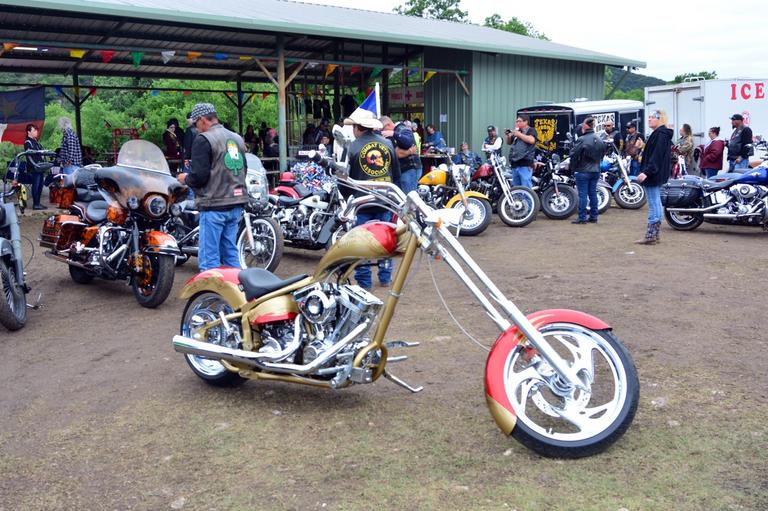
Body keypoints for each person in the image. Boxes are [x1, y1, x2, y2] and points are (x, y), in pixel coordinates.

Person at [177, 103, 248, 271]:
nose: (196, 128)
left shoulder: (204, 139)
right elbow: (243, 169)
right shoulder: (236, 138)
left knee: (209, 259)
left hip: (214, 205)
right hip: (236, 203)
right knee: (230, 252)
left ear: (202, 120)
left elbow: (199, 176)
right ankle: (237, 292)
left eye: (195, 124)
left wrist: (185, 178)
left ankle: (211, 296)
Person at [343, 108, 399, 289]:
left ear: (358, 127)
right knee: (386, 239)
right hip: (385, 201)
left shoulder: (352, 147)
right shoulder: (388, 144)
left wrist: (347, 199)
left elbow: (344, 179)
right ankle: (385, 277)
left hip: (361, 203)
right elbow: (396, 175)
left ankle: (364, 281)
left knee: (362, 243)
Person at [635, 110, 673, 245]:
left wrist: (646, 172)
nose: (649, 119)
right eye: (649, 117)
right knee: (655, 202)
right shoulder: (660, 134)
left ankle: (651, 235)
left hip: (653, 174)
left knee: (654, 203)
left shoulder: (660, 135)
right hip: (656, 173)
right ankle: (654, 235)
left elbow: (656, 156)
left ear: (660, 119)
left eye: (652, 118)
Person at [569, 117, 606, 224]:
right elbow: (603, 153)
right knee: (593, 193)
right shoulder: (599, 139)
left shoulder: (582, 139)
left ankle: (582, 217)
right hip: (596, 169)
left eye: (583, 124)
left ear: (586, 125)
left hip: (583, 170)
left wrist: (574, 167)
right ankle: (594, 216)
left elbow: (573, 154)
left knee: (583, 194)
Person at [381, 116, 419, 194]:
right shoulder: (389, 136)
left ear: (388, 125)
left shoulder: (402, 129)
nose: (383, 132)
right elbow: (396, 153)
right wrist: (409, 151)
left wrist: (394, 134)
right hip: (398, 171)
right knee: (399, 199)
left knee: (408, 198)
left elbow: (408, 142)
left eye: (383, 129)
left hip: (409, 169)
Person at [504, 114, 537, 189]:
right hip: (515, 163)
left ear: (526, 122)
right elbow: (509, 142)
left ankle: (528, 201)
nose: (517, 123)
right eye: (516, 121)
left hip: (525, 163)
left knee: (526, 187)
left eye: (519, 121)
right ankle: (519, 200)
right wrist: (508, 135)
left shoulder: (531, 130)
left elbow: (532, 140)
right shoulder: (517, 131)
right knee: (516, 187)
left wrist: (519, 134)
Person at [23, 124, 46, 210]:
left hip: (40, 167)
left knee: (40, 185)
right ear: (29, 132)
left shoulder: (36, 141)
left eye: (36, 130)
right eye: (34, 130)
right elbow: (30, 155)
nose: (36, 132)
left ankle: (38, 203)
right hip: (34, 168)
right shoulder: (27, 142)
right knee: (36, 185)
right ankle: (35, 204)